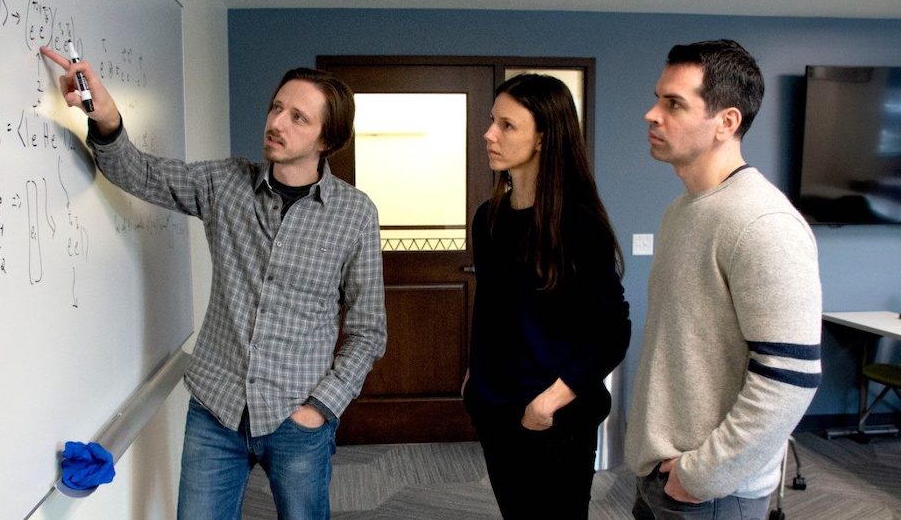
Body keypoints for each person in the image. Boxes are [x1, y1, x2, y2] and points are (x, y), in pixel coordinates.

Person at [40, 46, 387, 520]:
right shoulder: (226, 182)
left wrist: (321, 408)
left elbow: (368, 331)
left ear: (327, 139)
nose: (278, 122)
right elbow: (136, 173)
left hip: (298, 417)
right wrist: (105, 117)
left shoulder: (355, 213)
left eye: (299, 118)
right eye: (277, 107)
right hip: (216, 410)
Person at [624, 39, 822, 519]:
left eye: (673, 104)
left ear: (726, 122)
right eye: (657, 98)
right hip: (664, 473)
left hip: (713, 494)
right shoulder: (681, 212)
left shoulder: (764, 221)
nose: (652, 114)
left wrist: (700, 476)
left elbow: (790, 379)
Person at [461, 73, 632, 519]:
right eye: (491, 121)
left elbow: (613, 330)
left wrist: (551, 401)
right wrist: (474, 375)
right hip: (496, 405)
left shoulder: (578, 224)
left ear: (542, 138)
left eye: (507, 125)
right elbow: (495, 310)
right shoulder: (489, 218)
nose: (489, 134)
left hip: (557, 415)